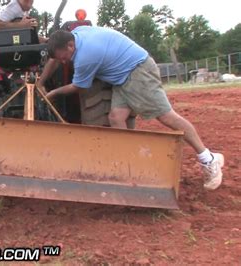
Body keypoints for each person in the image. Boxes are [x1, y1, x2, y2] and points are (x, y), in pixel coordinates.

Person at [38, 26, 225, 190]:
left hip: (138, 71)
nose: (64, 62)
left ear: (70, 46)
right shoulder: (75, 35)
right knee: (116, 118)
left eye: (65, 58)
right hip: (123, 78)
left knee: (167, 116)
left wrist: (51, 93)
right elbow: (54, 59)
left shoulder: (86, 56)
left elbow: (78, 86)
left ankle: (208, 158)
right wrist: (41, 82)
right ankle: (129, 166)